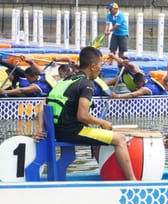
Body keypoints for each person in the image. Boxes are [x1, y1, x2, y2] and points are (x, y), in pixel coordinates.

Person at [44, 46, 137, 180]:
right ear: (93, 66)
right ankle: (132, 182)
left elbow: (43, 104)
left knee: (99, 137)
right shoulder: (87, 84)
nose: (101, 68)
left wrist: (41, 129)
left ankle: (104, 173)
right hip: (71, 132)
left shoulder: (64, 80)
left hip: (55, 131)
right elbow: (82, 116)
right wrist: (102, 122)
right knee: (120, 139)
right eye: (100, 65)